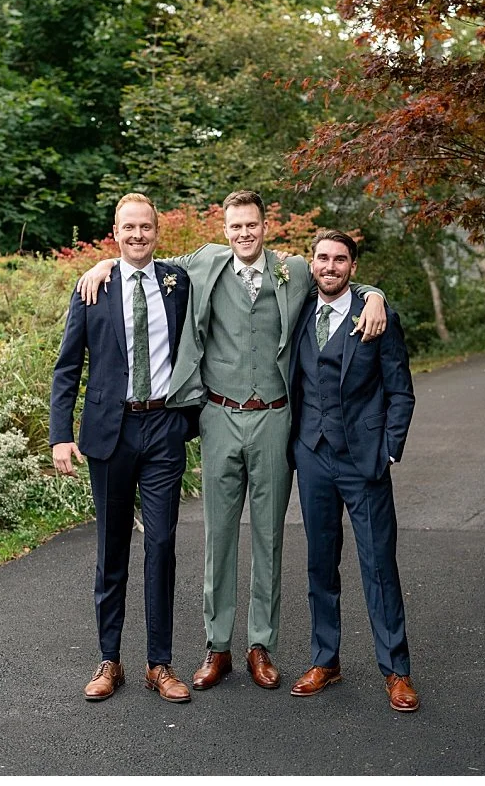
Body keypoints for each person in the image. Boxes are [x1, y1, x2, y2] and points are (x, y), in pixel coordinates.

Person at [77, 190, 386, 691]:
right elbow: (143, 260)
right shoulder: (203, 264)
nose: (244, 233)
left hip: (275, 418)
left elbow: (337, 278)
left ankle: (260, 645)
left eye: (252, 225)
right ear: (225, 230)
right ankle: (217, 646)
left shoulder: (293, 270)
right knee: (218, 537)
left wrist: (375, 295)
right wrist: (102, 266)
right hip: (219, 416)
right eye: (235, 226)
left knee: (269, 537)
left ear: (266, 227)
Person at [51, 193, 198, 703]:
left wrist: (371, 291)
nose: (137, 235)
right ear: (115, 232)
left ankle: (160, 664)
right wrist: (60, 434)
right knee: (112, 548)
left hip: (163, 428)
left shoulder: (178, 283)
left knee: (161, 544)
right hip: (109, 433)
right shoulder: (92, 288)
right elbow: (67, 365)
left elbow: (234, 261)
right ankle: (109, 659)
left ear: (158, 232)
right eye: (128, 228)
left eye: (146, 227)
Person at [287, 229, 418, 711]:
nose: (330, 266)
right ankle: (326, 660)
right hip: (312, 454)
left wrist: (388, 451)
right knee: (320, 563)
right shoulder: (299, 310)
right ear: (311, 263)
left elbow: (400, 390)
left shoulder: (377, 315)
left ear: (353, 267)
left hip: (364, 460)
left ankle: (396, 670)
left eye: (340, 259)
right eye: (322, 258)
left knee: (379, 564)